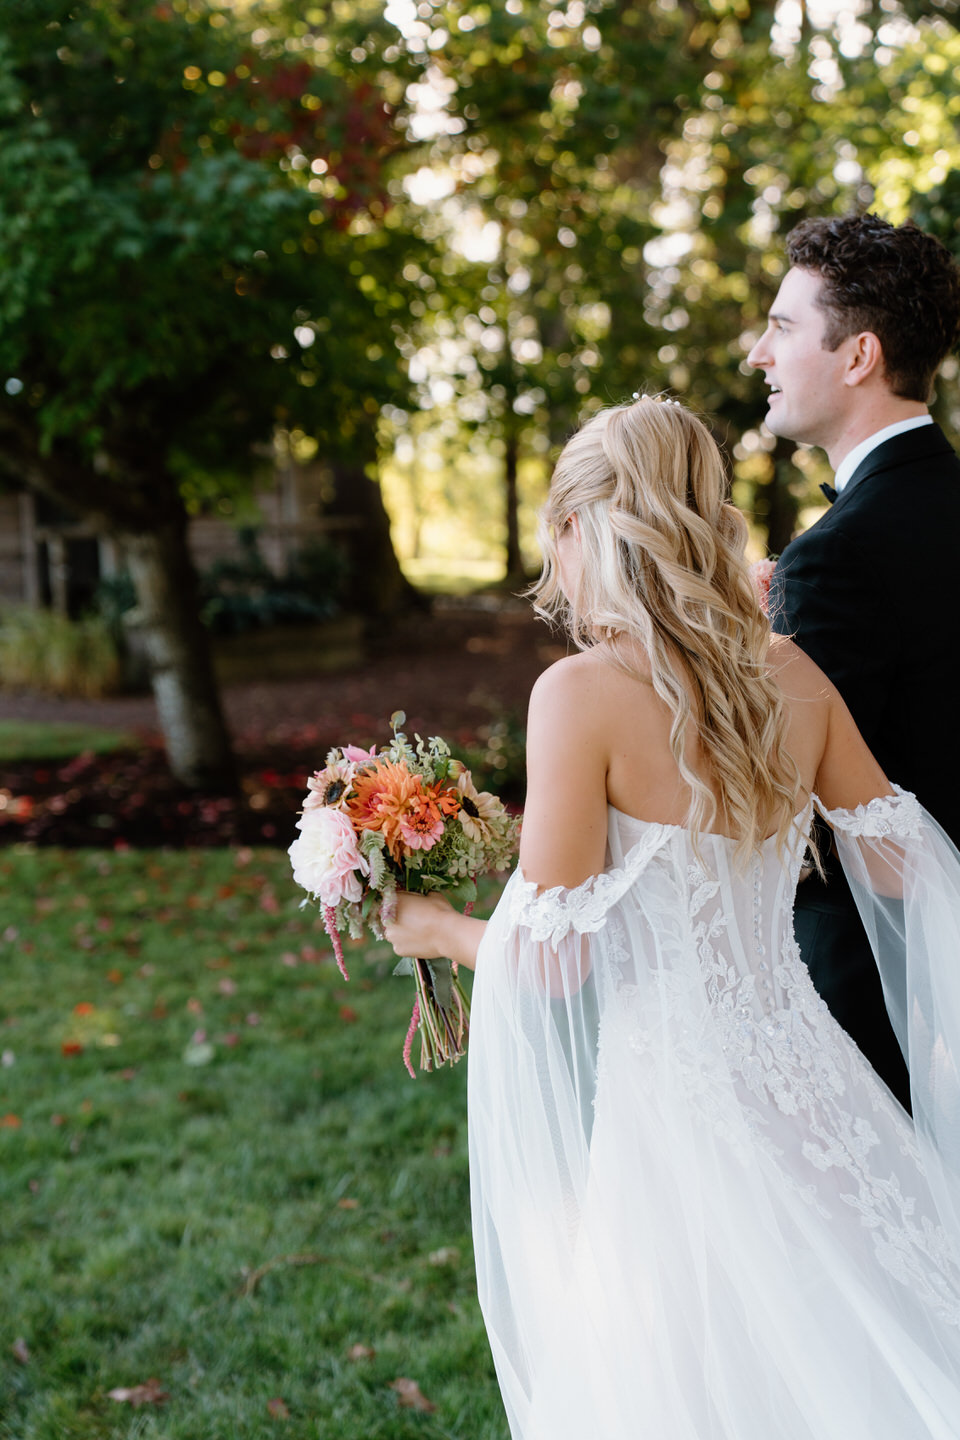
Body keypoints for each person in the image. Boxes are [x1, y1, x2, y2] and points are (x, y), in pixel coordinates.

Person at [383, 396, 960, 1440]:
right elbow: (898, 860)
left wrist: (435, 931)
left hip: (678, 1110)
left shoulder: (580, 695)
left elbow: (553, 964)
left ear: (575, 532)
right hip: (818, 1085)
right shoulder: (794, 676)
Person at [747, 213, 960, 1110]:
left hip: (874, 986)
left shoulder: (838, 555)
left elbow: (799, 800)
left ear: (858, 355)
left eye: (783, 327)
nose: (759, 353)